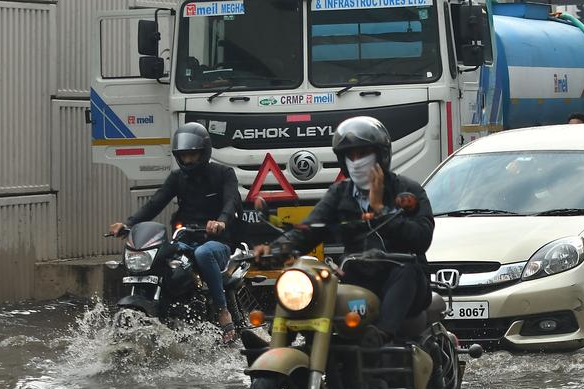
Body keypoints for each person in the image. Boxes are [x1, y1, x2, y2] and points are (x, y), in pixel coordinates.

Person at [253, 116, 433, 346]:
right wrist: (274, 249)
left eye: (363, 154)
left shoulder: (407, 190)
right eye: (351, 156)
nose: (356, 161)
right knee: (311, 276)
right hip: (357, 277)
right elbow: (309, 230)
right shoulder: (340, 193)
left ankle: (381, 336)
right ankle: (281, 343)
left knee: (407, 269)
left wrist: (380, 210)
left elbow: (422, 239)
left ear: (381, 155)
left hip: (402, 282)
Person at [109, 122, 241, 342]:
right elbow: (154, 204)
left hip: (216, 241)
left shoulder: (223, 174)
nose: (188, 160)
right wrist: (128, 225)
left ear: (204, 152)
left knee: (203, 254)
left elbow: (231, 202)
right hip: (185, 239)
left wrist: (221, 222)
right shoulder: (177, 178)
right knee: (160, 256)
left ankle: (221, 310)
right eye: (184, 156)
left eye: (193, 155)